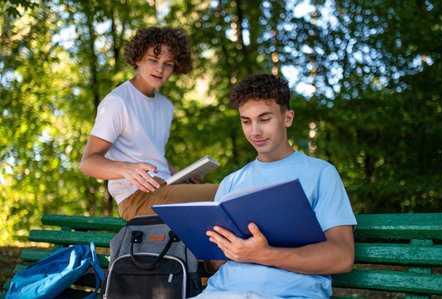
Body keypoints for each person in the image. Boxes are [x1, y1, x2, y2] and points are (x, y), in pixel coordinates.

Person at [192, 74, 357, 299]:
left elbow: (342, 256)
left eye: (264, 119)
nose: (254, 132)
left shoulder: (321, 174)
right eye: (246, 121)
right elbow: (216, 264)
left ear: (287, 118)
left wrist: (264, 254)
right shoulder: (231, 182)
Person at [80, 26, 218, 221]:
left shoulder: (166, 106)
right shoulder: (118, 102)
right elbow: (88, 163)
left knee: (230, 190)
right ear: (138, 59)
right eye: (153, 60)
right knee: (226, 195)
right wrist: (125, 168)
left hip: (167, 188)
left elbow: (151, 153)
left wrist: (179, 173)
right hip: (137, 198)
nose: (160, 69)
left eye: (167, 64)